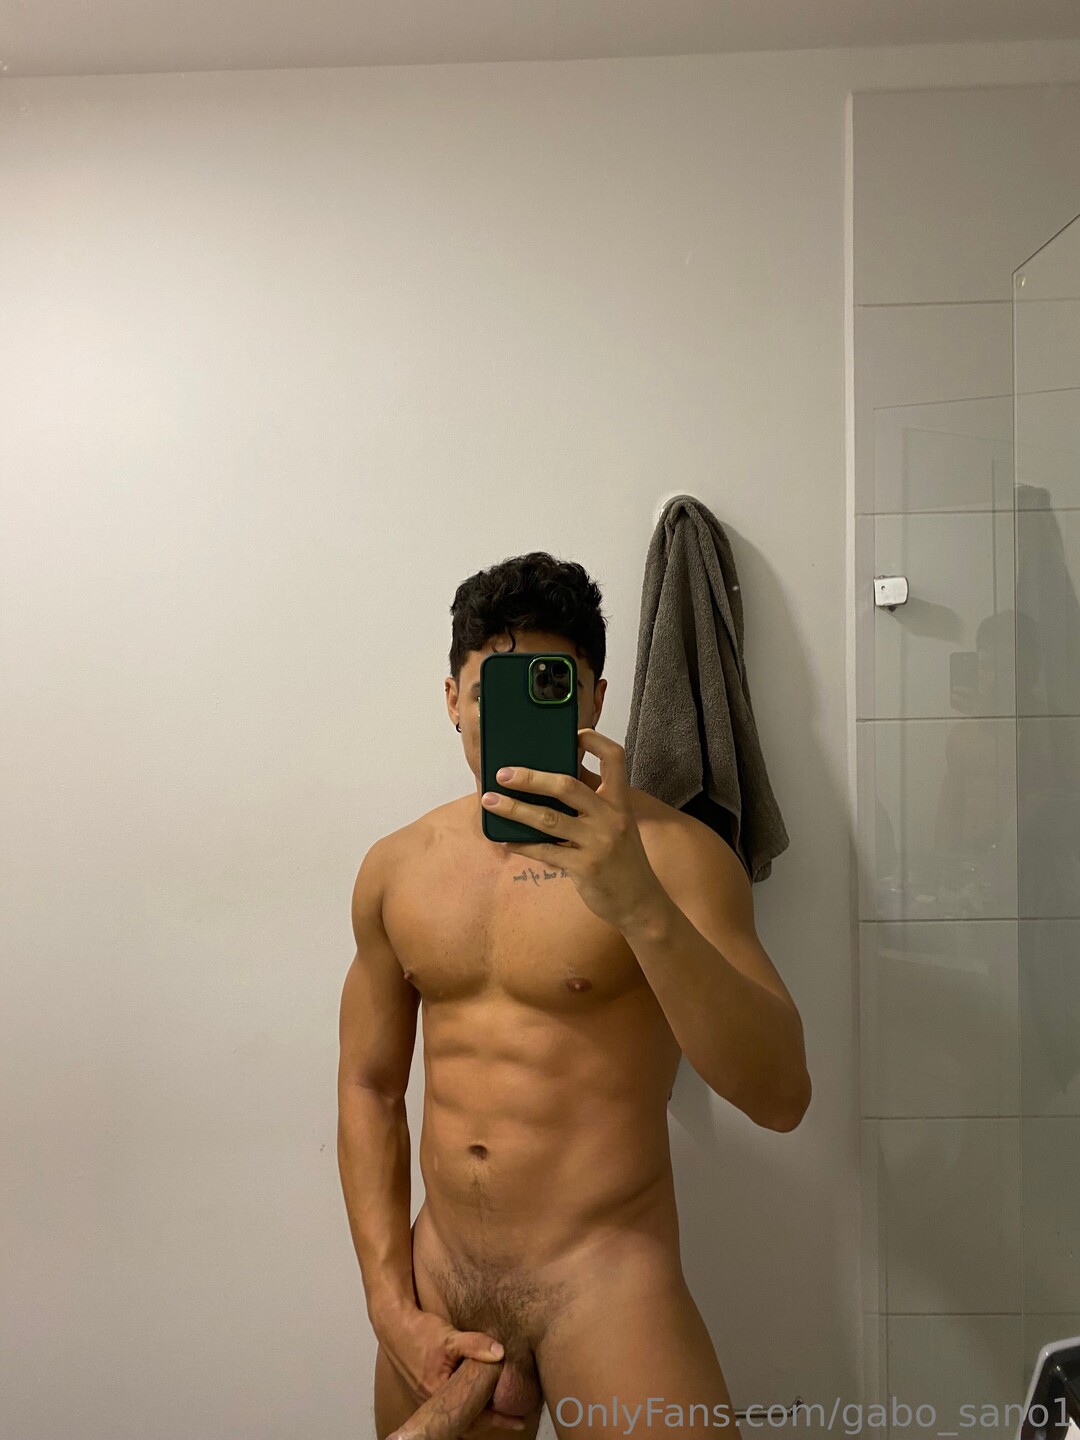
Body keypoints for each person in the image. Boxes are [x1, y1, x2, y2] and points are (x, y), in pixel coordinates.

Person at [337, 552, 811, 1440]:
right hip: (438, 1282)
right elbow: (369, 1087)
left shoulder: (676, 860)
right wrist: (388, 1306)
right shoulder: (397, 870)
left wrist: (638, 905)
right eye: (490, 689)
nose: (511, 714)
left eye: (550, 687)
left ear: (593, 700)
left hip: (605, 1283)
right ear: (453, 699)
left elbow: (781, 1096)